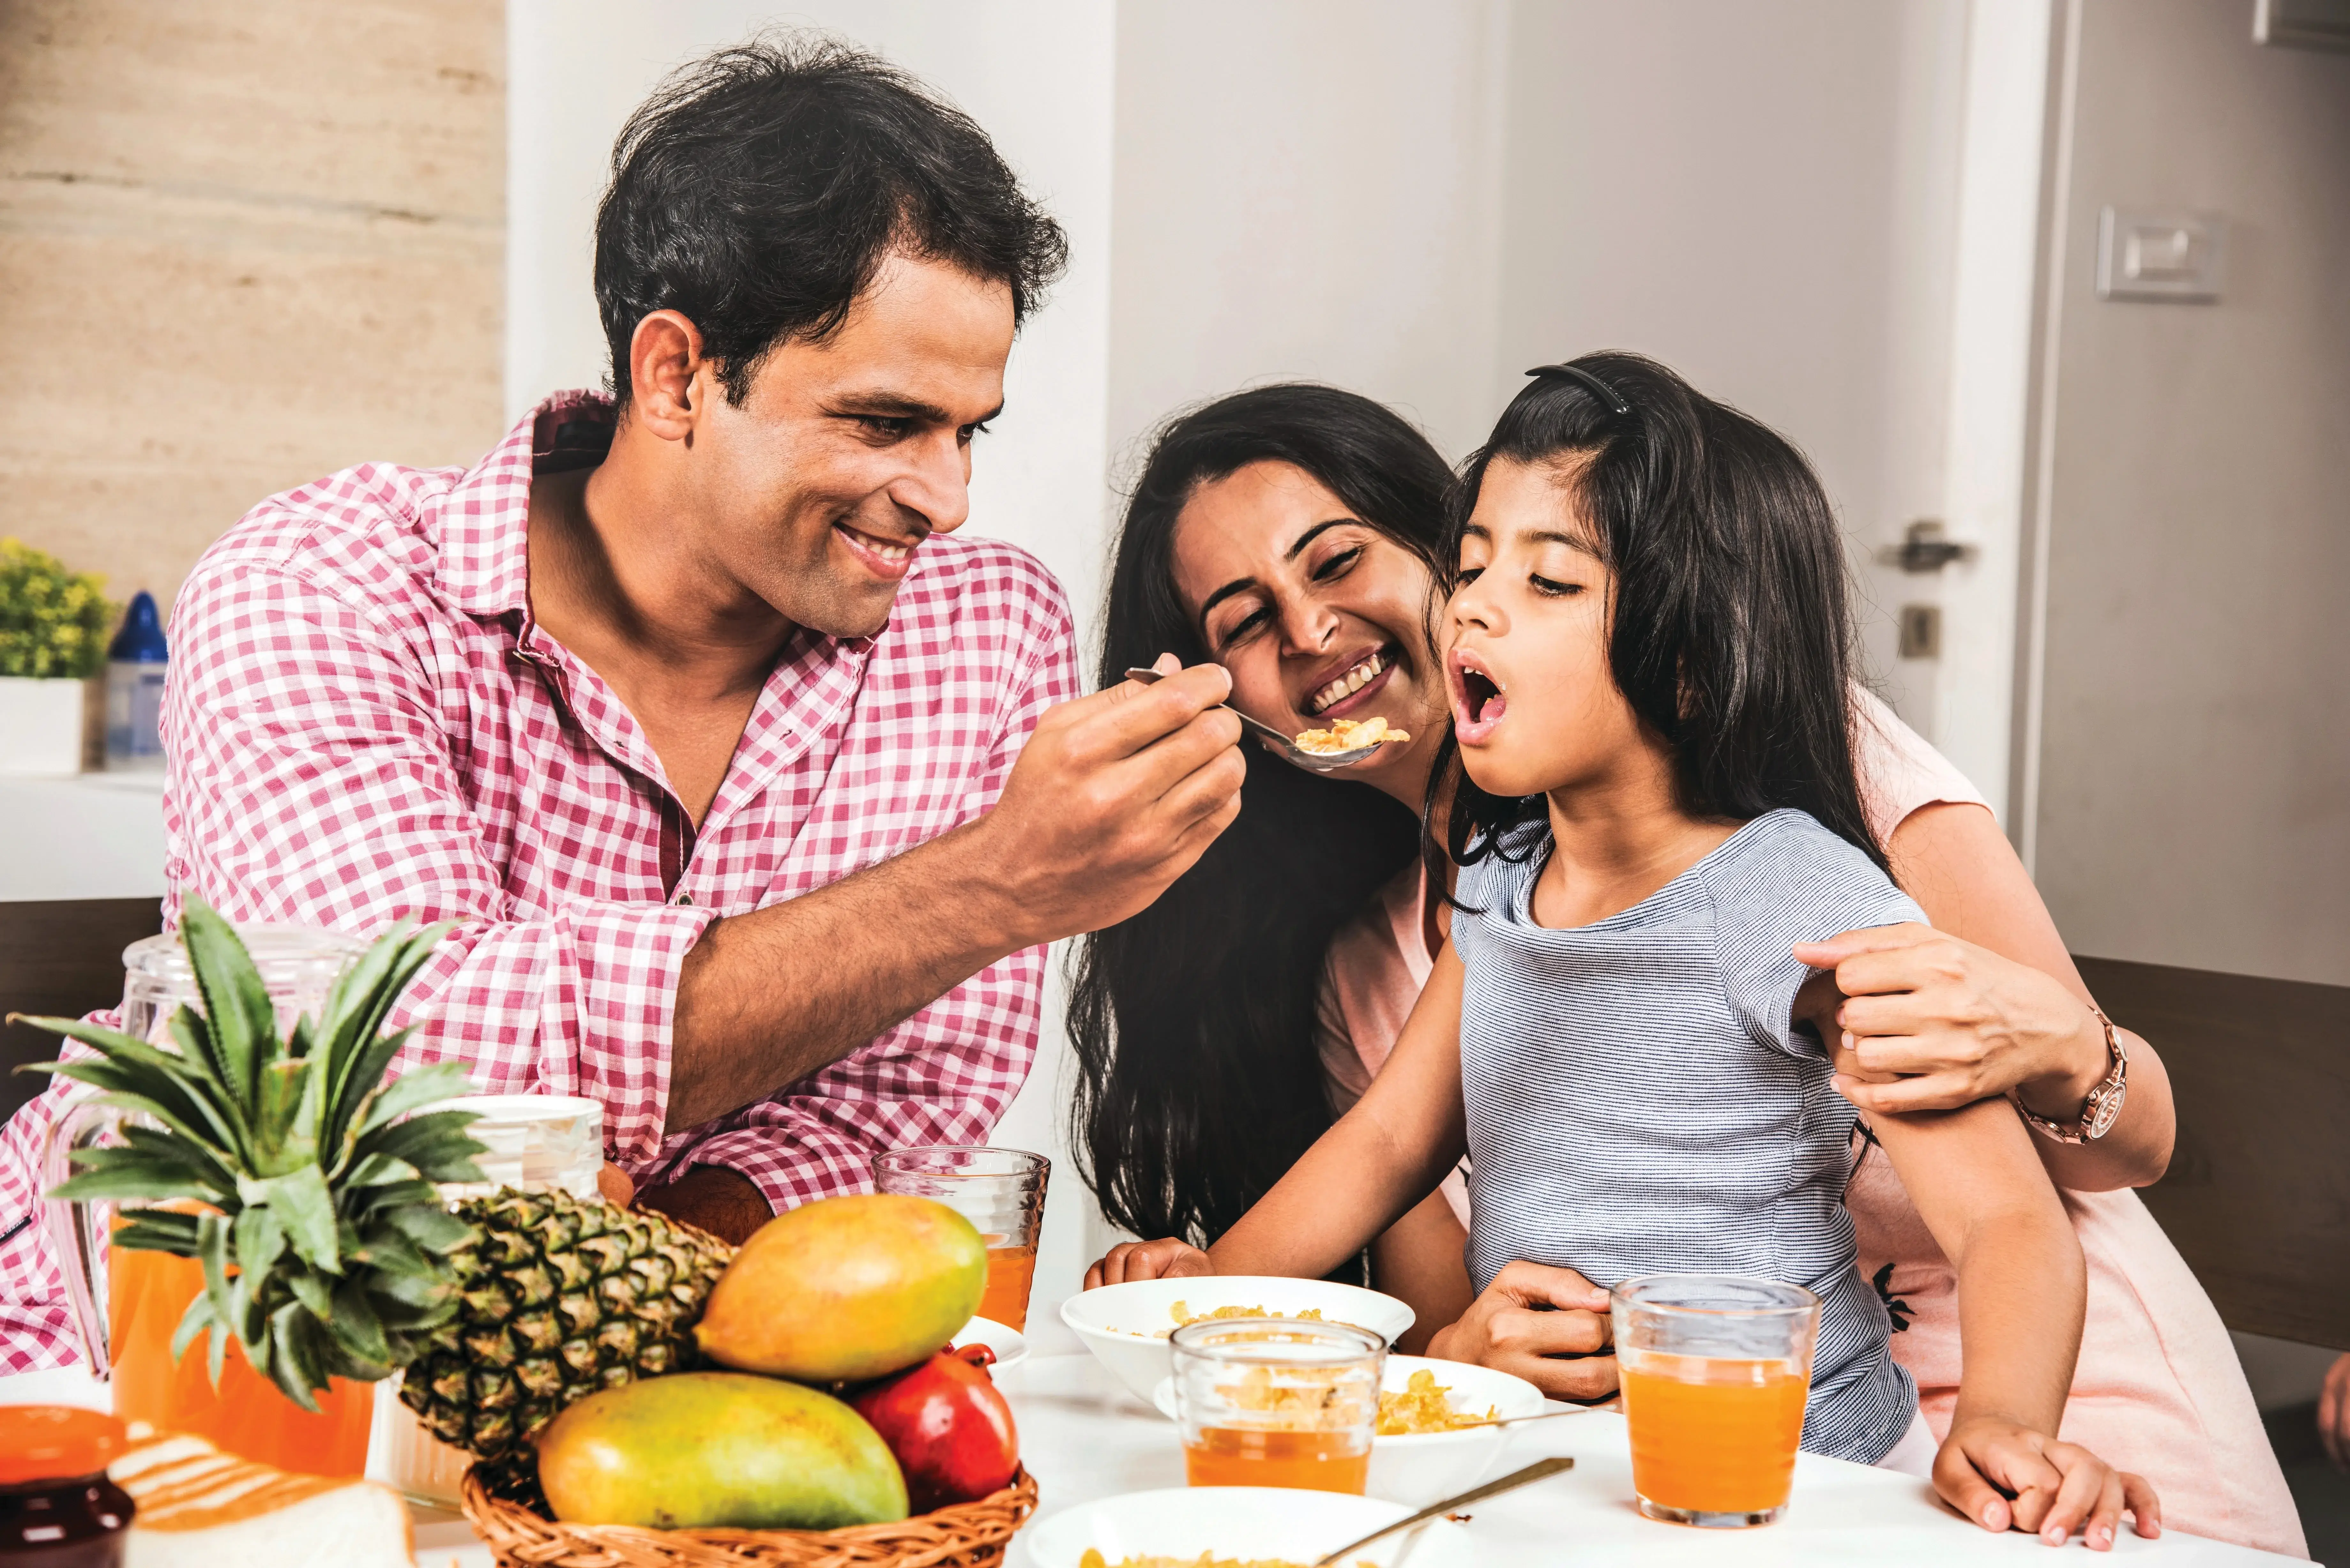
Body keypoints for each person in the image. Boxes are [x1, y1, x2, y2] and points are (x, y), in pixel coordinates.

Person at [0, 37, 1247, 1371]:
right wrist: (994, 882)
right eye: (886, 423)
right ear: (673, 376)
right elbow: (406, 1063)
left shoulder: (984, 623)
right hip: (179, 1369)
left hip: (656, 1384)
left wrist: (640, 1286)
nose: (946, 497)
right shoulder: (324, 584)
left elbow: (906, 1099)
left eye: (969, 429)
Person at [1073, 381, 2302, 1554]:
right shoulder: (1500, 878)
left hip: (1832, 1478)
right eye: (1478, 565)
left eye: (1546, 579)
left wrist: (2002, 1426)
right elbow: (1392, 1142)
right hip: (1612, 1475)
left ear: (1687, 656)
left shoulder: (1792, 882)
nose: (1476, 608)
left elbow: (2009, 1215)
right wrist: (1182, 1310)